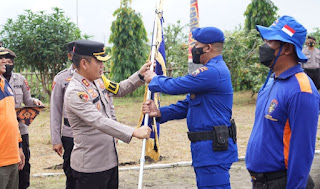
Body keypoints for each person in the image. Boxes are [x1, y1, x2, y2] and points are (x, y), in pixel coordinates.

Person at [142, 27, 238, 188]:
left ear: (207, 48)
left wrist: (155, 79)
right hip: (207, 151)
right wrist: (159, 112)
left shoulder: (212, 71)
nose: (193, 48)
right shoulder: (212, 71)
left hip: (213, 151)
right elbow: (188, 105)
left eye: (196, 44)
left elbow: (176, 85)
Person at [64, 40, 151, 189]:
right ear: (84, 63)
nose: (102, 65)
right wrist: (134, 132)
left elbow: (120, 89)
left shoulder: (98, 81)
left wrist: (140, 76)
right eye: (99, 61)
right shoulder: (75, 92)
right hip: (90, 167)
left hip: (109, 161)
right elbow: (98, 121)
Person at [245, 15, 319, 189]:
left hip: (280, 182)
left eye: (270, 42)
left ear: (286, 48)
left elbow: (302, 151)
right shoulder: (271, 80)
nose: (264, 47)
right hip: (261, 182)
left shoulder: (302, 91)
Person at [2, 48, 43, 189]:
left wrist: (35, 102)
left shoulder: (20, 79)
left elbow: (27, 99)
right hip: (4, 134)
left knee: (23, 163)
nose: (7, 64)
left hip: (20, 129)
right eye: (4, 61)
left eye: (9, 61)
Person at [50, 41, 77, 189]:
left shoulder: (95, 75)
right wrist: (56, 139)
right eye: (76, 54)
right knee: (71, 173)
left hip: (92, 134)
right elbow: (55, 110)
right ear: (70, 56)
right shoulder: (61, 78)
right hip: (70, 135)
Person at [0, 48, 25, 189]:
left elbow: (12, 120)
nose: (5, 61)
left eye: (5, 57)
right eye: (0, 58)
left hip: (12, 156)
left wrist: (19, 147)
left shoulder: (6, 85)